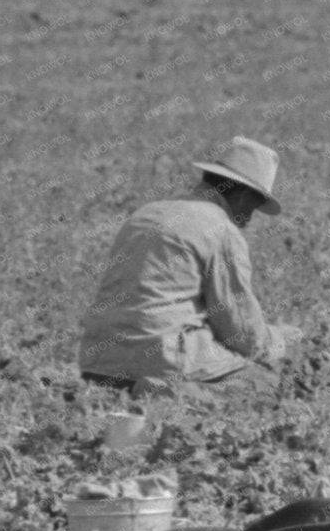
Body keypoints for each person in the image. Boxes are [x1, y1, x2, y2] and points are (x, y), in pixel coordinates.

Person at [79, 136, 302, 401]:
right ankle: (174, 392)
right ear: (242, 194)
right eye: (253, 206)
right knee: (266, 383)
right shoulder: (221, 229)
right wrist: (278, 340)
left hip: (97, 361)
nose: (251, 218)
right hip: (162, 358)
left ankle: (136, 391)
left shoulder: (147, 213)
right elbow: (240, 330)